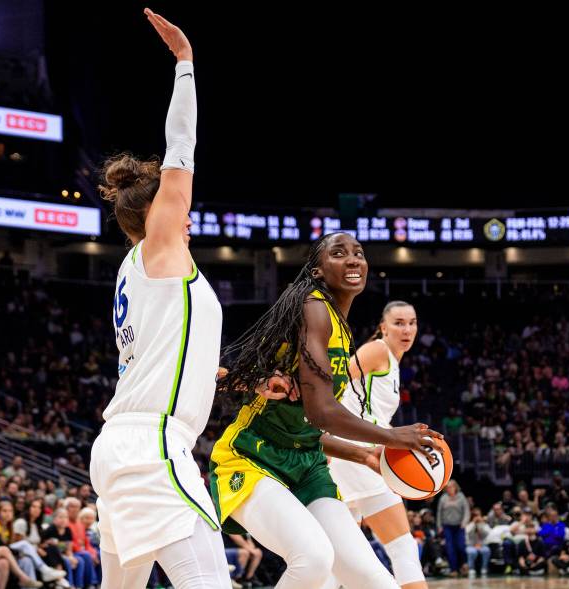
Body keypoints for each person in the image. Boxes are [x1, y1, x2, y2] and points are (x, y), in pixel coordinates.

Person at [88, 9, 232, 589]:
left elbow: (158, 355)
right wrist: (185, 65)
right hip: (153, 448)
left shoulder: (133, 271)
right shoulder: (159, 246)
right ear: (155, 216)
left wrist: (210, 371)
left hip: (123, 446)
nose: (188, 215)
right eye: (178, 209)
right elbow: (181, 149)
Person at [212, 232, 441, 589]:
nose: (353, 260)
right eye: (339, 253)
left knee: (376, 581)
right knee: (314, 559)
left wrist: (364, 455)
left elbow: (308, 424)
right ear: (318, 271)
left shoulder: (339, 325)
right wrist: (394, 436)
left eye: (359, 253)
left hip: (307, 464)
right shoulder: (313, 306)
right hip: (253, 458)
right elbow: (320, 410)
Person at [322, 300, 426, 589]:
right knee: (403, 546)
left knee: (340, 558)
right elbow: (332, 385)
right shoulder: (378, 350)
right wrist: (322, 433)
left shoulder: (394, 361)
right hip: (359, 453)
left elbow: (371, 412)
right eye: (399, 323)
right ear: (383, 327)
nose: (407, 329)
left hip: (352, 453)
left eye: (412, 322)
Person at [436, 480, 470, 576]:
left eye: (452, 487)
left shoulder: (461, 497)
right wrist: (439, 526)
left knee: (461, 546)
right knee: (450, 548)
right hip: (447, 526)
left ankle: (464, 564)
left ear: (455, 487)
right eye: (448, 487)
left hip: (459, 526)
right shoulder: (443, 499)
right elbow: (439, 513)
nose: (450, 489)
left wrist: (464, 522)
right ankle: (453, 569)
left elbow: (466, 511)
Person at [464, 507, 491, 578]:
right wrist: (473, 523)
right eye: (475, 515)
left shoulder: (483, 523)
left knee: (486, 550)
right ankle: (471, 568)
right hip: (471, 545)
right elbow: (467, 532)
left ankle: (484, 568)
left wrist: (481, 524)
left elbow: (488, 533)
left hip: (482, 545)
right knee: (472, 552)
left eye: (478, 515)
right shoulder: (469, 524)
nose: (477, 517)